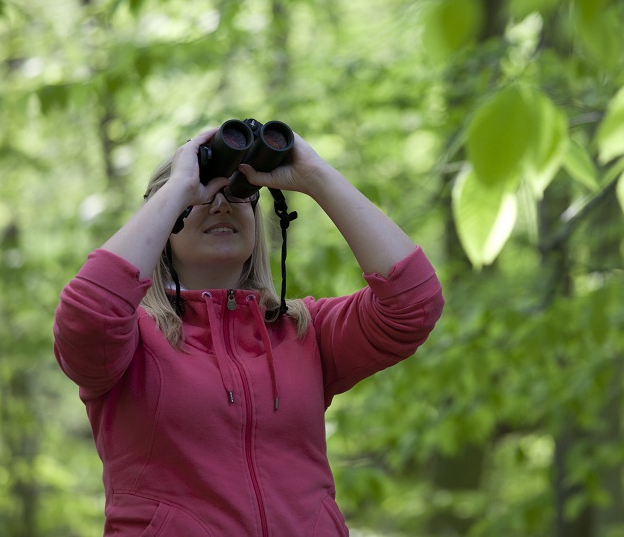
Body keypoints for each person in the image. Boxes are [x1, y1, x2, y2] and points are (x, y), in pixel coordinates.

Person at [54, 125, 445, 536]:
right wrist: (178, 188)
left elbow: (413, 303)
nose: (222, 205)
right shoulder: (129, 342)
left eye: (238, 195)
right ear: (166, 219)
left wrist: (314, 174)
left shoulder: (302, 331)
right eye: (204, 194)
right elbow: (88, 316)